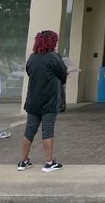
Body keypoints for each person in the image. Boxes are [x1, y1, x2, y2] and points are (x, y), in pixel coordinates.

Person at [17, 30, 68, 172]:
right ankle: (49, 162)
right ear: (52, 42)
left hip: (33, 100)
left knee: (29, 131)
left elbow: (29, 72)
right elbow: (63, 75)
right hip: (50, 100)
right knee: (47, 130)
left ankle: (24, 161)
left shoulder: (32, 58)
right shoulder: (54, 57)